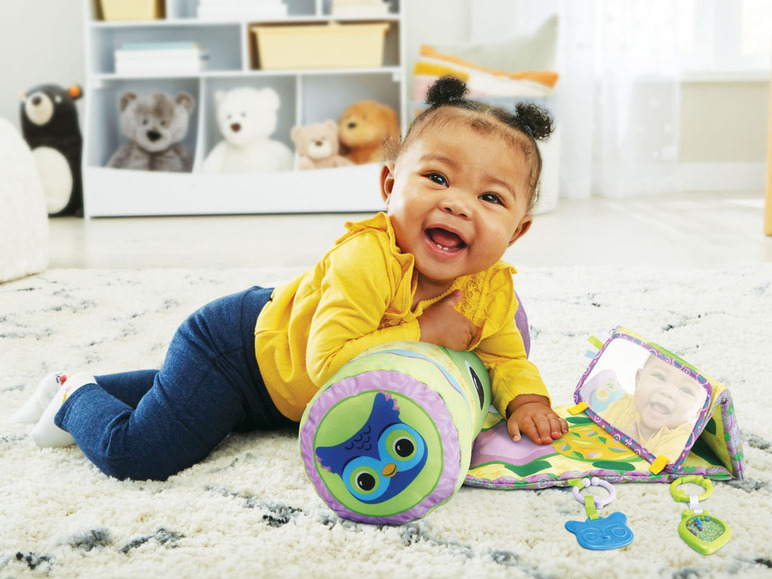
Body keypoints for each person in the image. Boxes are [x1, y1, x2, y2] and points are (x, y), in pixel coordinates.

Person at [13, 76, 568, 481]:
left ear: (517, 231)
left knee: (180, 396)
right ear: (388, 185)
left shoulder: (491, 290)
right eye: (437, 178)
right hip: (236, 352)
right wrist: (425, 332)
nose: (458, 204)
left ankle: (92, 387)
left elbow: (505, 356)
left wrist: (527, 401)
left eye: (490, 197)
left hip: (281, 389)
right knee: (144, 454)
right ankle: (72, 394)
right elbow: (327, 365)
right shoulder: (367, 259)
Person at [598, 353, 705, 458]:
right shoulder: (623, 405)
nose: (668, 392)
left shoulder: (681, 442)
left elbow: (658, 469)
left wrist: (633, 448)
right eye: (660, 377)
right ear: (638, 379)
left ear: (698, 412)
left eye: (686, 390)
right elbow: (592, 428)